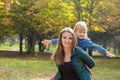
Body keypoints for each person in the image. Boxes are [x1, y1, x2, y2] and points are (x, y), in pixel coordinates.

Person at [41, 21, 116, 58]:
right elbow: (60, 40)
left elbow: (95, 46)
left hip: (81, 58)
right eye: (80, 32)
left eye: (84, 32)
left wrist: (106, 52)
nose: (82, 34)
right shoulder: (72, 39)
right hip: (70, 57)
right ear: (75, 31)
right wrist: (50, 41)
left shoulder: (86, 41)